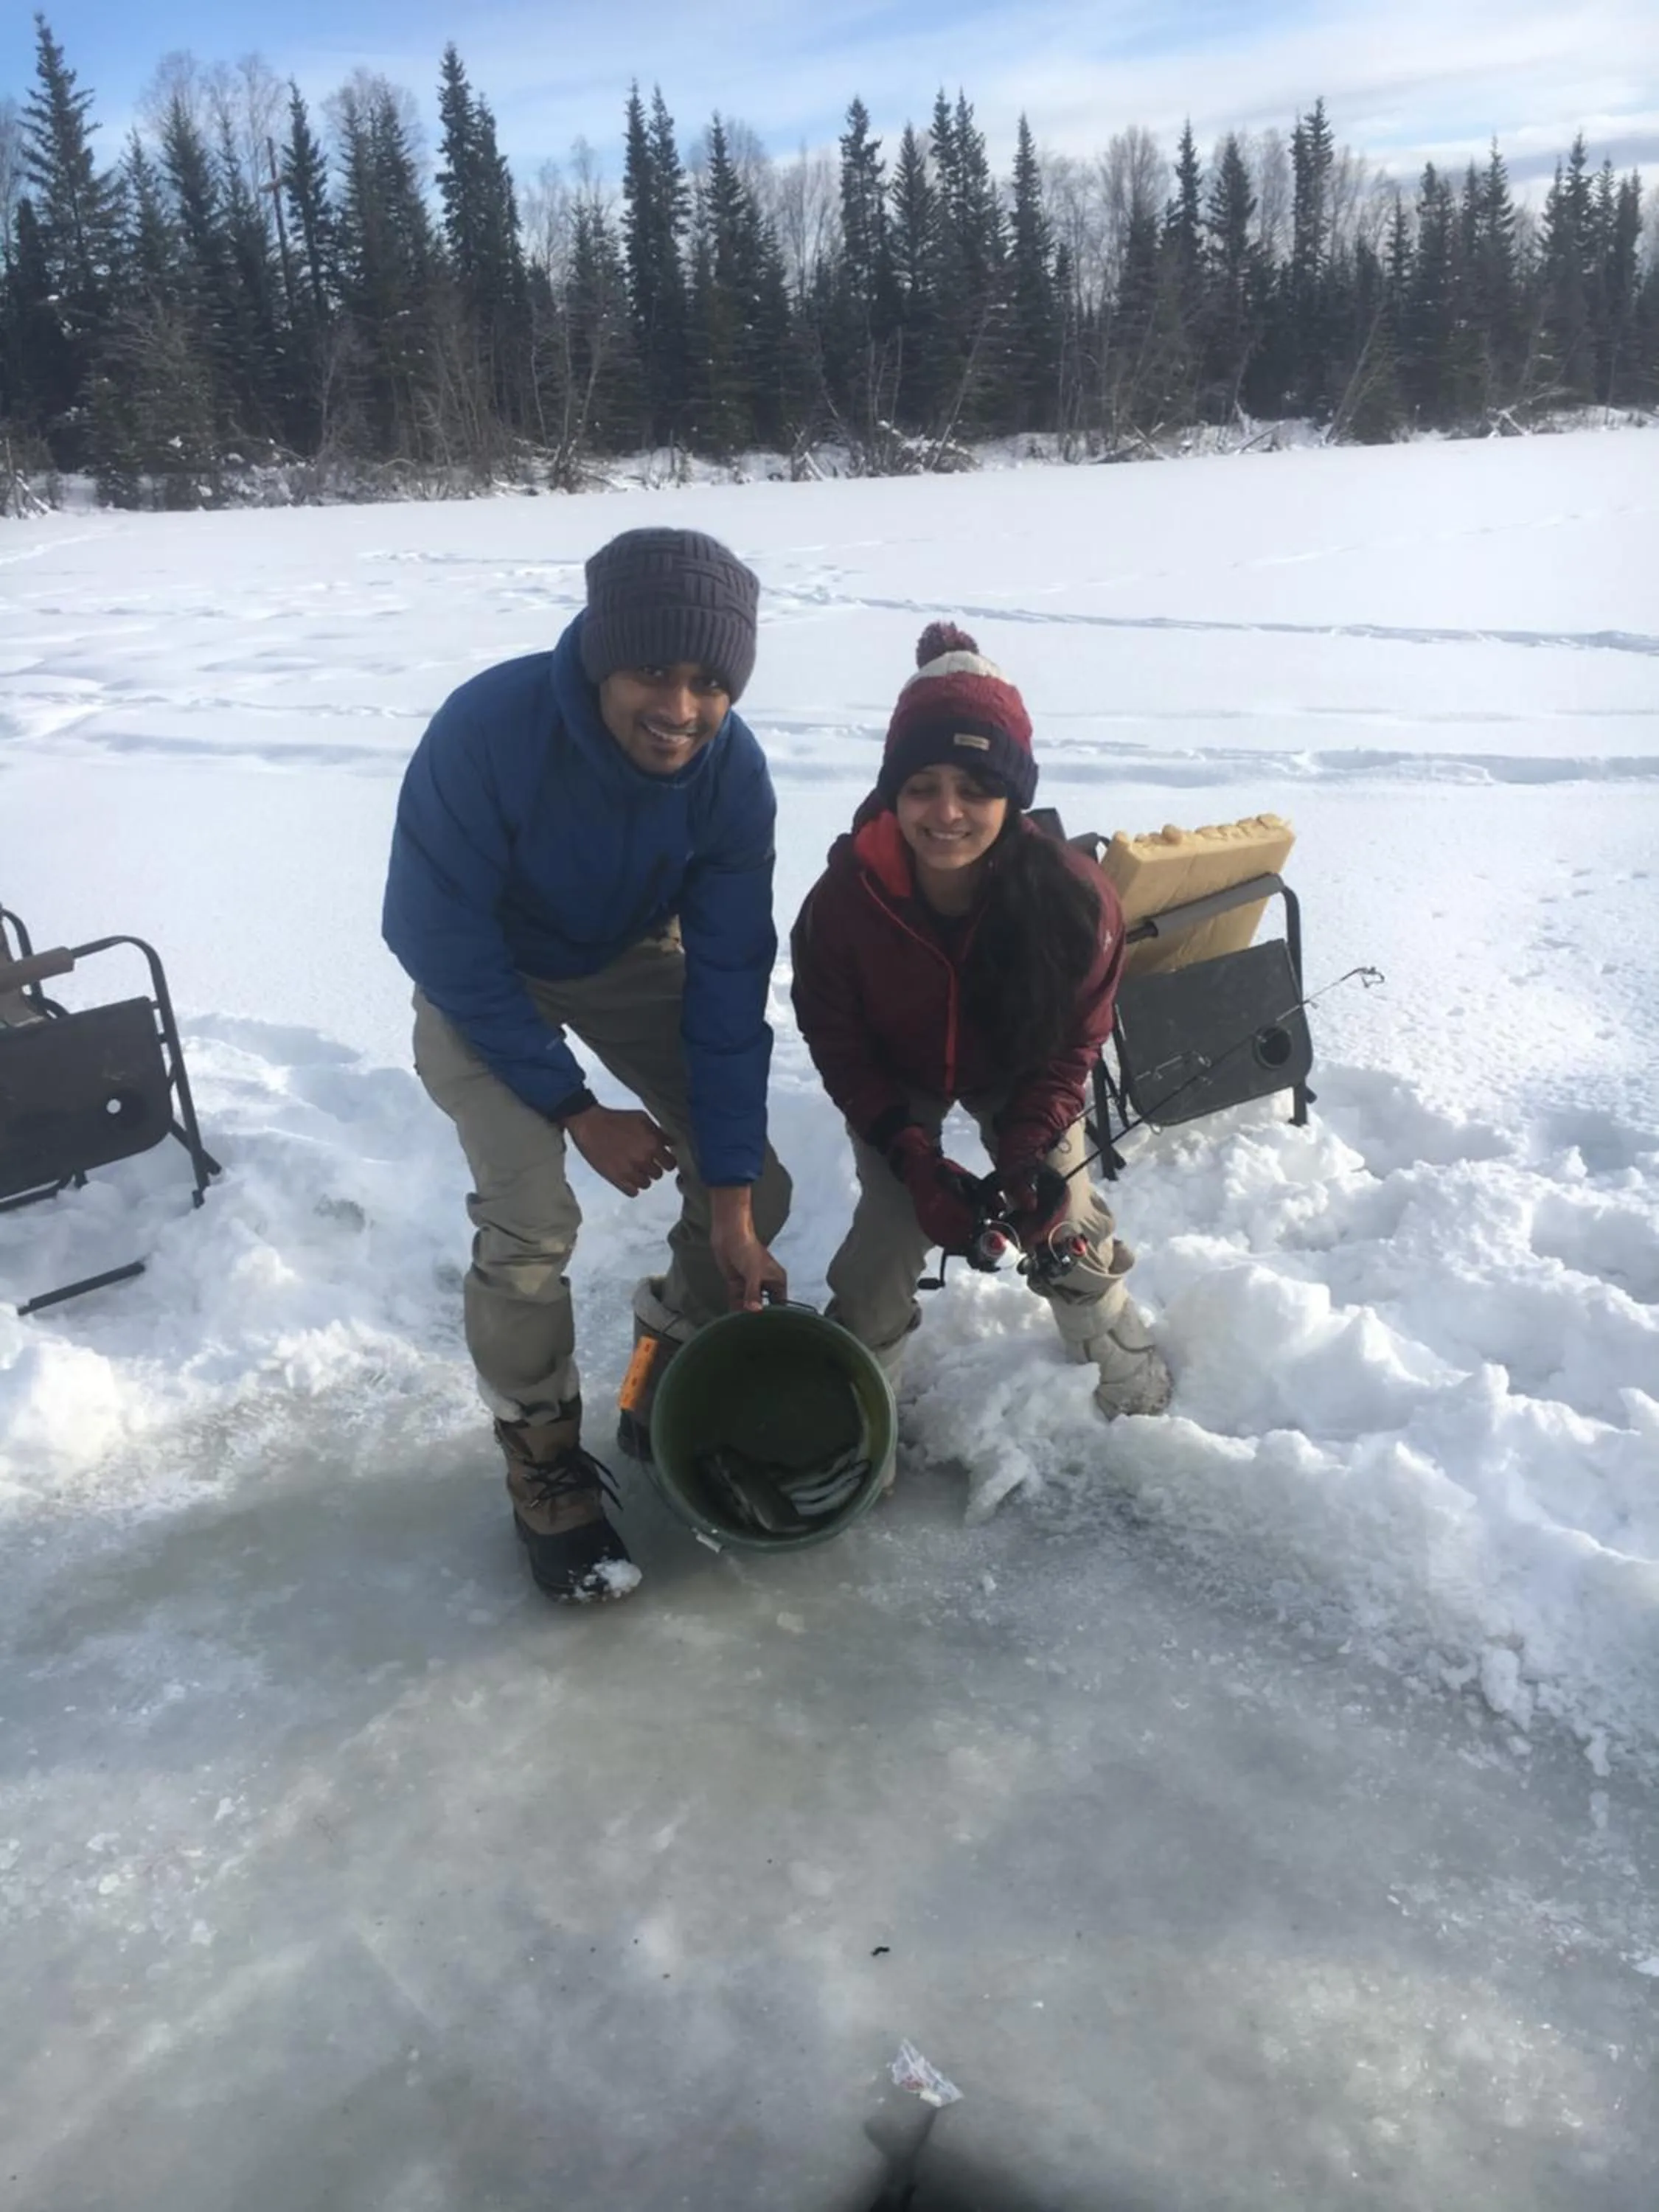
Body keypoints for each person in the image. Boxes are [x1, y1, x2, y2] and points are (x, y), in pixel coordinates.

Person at [383, 527, 790, 1604]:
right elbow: (433, 931)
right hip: (482, 978)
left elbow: (726, 991)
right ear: (602, 657)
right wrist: (571, 1106)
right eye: (654, 670)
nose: (680, 706)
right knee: (531, 1220)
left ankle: (659, 1374)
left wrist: (735, 1204)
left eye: (710, 682)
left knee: (756, 1187)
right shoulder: (490, 730)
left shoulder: (730, 777)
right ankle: (541, 1462)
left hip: (620, 955)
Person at [790, 620, 1172, 1428]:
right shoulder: (842, 903)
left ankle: (1110, 1345)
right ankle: (862, 1401)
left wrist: (1030, 1144)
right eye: (922, 785)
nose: (948, 813)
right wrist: (912, 1154)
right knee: (890, 1234)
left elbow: (1075, 1045)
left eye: (976, 788)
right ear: (894, 790)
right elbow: (839, 1044)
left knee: (1063, 1209)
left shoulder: (1077, 902)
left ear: (1014, 797)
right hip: (897, 1076)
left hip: (1018, 1070)